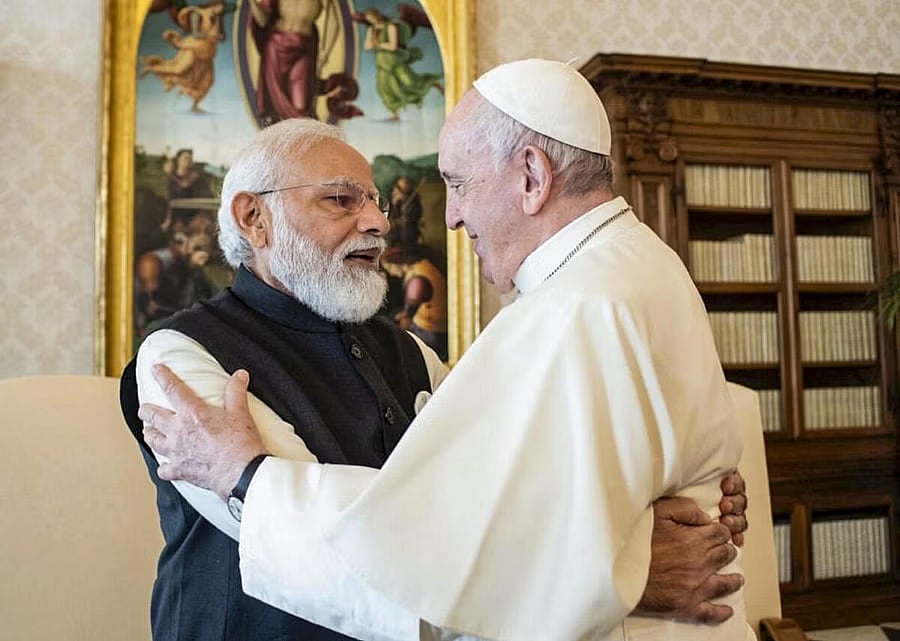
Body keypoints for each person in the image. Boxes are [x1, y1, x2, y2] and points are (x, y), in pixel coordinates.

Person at [136, 93, 750, 641]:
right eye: (341, 200)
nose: (378, 222)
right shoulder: (179, 356)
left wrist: (650, 506)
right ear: (254, 218)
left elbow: (505, 496)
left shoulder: (411, 352)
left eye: (374, 200)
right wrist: (623, 566)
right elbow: (353, 551)